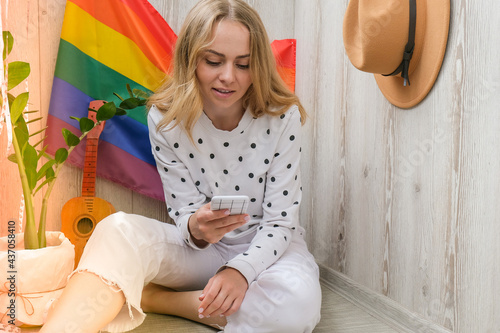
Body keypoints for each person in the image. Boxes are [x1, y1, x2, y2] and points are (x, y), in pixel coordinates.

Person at [40, 0, 321, 332]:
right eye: (214, 61)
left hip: (272, 251)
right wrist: (196, 229)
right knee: (115, 231)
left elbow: (281, 222)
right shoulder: (165, 120)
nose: (228, 77)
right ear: (191, 60)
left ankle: (162, 300)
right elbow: (184, 211)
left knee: (294, 306)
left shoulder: (281, 116)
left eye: (243, 65)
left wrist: (240, 271)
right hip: (203, 255)